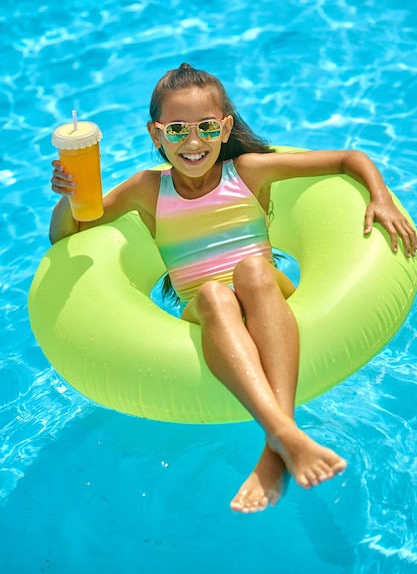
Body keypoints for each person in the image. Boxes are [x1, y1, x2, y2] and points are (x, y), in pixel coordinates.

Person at [50, 63, 417, 514]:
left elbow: (348, 159)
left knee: (253, 272)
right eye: (178, 129)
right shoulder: (149, 188)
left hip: (264, 288)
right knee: (213, 294)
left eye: (206, 127)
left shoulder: (246, 171)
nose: (193, 141)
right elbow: (71, 231)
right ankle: (283, 437)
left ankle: (276, 444)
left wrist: (379, 195)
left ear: (224, 129)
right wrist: (69, 196)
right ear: (156, 133)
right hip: (203, 307)